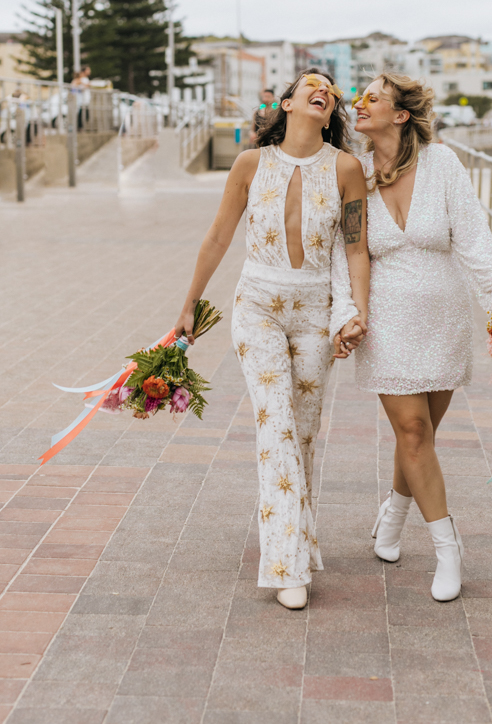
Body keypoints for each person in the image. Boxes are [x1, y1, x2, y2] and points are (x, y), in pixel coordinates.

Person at [175, 72, 369, 610]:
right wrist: (190, 302)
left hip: (314, 313)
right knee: (277, 423)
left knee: (303, 433)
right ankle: (285, 564)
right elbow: (218, 235)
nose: (322, 90)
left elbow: (355, 249)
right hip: (257, 306)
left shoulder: (347, 169)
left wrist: (357, 313)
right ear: (286, 104)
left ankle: (295, 542)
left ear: (330, 112)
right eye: (311, 84)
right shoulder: (249, 164)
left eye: (329, 90)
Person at [349, 73, 492, 601]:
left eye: (371, 97)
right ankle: (448, 549)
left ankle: (393, 516)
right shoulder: (350, 173)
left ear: (400, 114)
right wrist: (345, 315)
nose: (359, 104)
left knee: (417, 436)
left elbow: (475, 243)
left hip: (443, 317)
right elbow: (341, 254)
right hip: (386, 321)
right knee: (414, 430)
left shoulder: (442, 164)